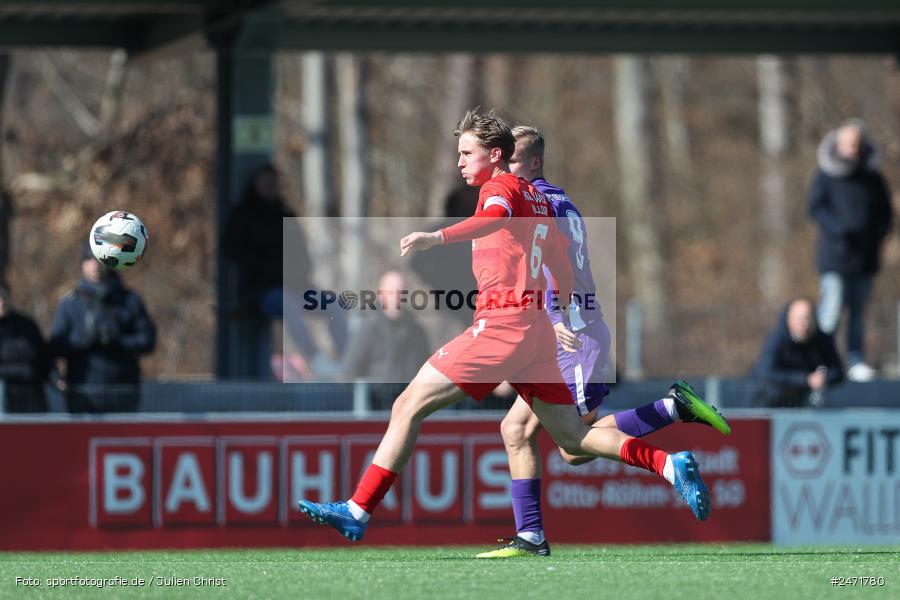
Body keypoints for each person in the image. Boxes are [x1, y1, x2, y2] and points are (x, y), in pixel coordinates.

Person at [298, 109, 712, 542]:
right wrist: (560, 311)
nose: (460, 162)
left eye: (466, 153)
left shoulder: (499, 189)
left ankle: (357, 509)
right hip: (536, 334)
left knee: (407, 405)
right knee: (573, 439)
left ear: (494, 155)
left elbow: (495, 217)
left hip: (502, 326)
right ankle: (668, 465)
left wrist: (437, 237)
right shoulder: (538, 199)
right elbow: (560, 264)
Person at [475, 126, 731, 558]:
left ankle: (670, 452)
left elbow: (549, 269)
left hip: (571, 336)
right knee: (517, 429)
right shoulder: (555, 200)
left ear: (534, 162)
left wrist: (552, 317)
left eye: (512, 160)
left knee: (574, 445)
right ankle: (531, 535)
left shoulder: (535, 205)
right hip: (567, 334)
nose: (504, 168)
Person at [222, 163, 347, 375]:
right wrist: (266, 268)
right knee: (287, 302)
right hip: (261, 292)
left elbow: (304, 257)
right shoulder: (243, 215)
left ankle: (348, 362)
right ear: (256, 186)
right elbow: (230, 249)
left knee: (333, 303)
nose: (271, 188)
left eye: (274, 183)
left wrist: (298, 275)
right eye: (266, 184)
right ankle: (316, 359)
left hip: (296, 286)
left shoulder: (286, 215)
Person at [809, 120, 892, 382]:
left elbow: (885, 212)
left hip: (865, 258)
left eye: (857, 144)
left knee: (858, 313)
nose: (853, 149)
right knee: (831, 311)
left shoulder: (873, 178)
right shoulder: (826, 175)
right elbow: (815, 208)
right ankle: (822, 360)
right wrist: (839, 230)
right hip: (835, 257)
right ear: (838, 145)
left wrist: (876, 233)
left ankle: (855, 360)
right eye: (849, 144)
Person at [50, 245, 156, 412]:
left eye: (100, 259)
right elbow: (55, 346)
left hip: (123, 393)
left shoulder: (129, 300)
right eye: (89, 259)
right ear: (82, 264)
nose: (95, 265)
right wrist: (83, 339)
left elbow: (147, 340)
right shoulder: (70, 303)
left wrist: (118, 341)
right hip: (82, 394)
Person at [341, 270, 431, 409]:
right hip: (376, 409)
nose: (397, 297)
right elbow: (350, 370)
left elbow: (426, 369)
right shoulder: (368, 328)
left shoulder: (416, 331)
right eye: (391, 292)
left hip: (409, 407)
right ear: (381, 294)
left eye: (401, 292)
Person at [753, 297, 844, 408]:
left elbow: (837, 371)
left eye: (808, 318)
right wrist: (805, 379)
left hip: (807, 405)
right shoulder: (776, 340)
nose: (804, 323)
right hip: (772, 403)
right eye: (800, 319)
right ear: (789, 320)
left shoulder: (823, 340)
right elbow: (766, 372)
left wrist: (823, 378)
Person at [0, 284, 51, 412]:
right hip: (4, 397)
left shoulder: (27, 325)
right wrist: (23, 371)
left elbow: (44, 357)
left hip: (32, 396)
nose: (2, 303)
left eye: (4, 297)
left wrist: (54, 375)